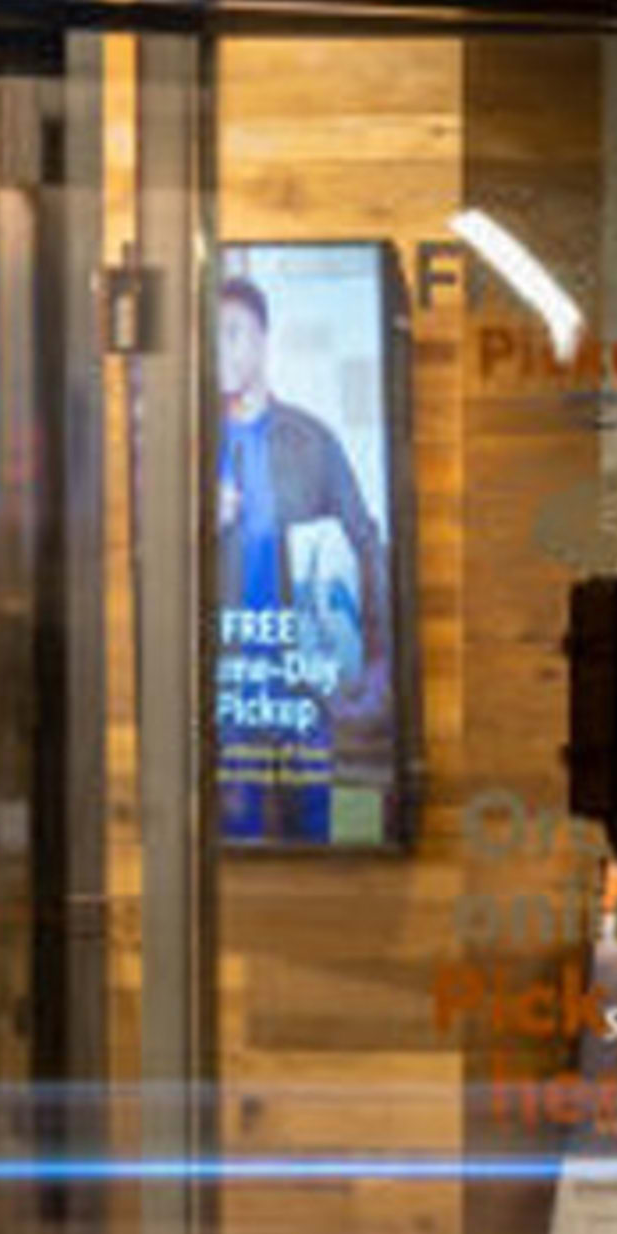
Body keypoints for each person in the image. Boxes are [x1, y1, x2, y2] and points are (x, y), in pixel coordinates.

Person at [214, 272, 394, 839]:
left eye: (233, 332)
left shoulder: (311, 440)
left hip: (303, 680)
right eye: (210, 337)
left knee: (317, 830)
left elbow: (365, 543)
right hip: (226, 684)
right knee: (232, 839)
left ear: (263, 340)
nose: (221, 349)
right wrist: (198, 520)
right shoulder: (188, 449)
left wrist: (378, 659)